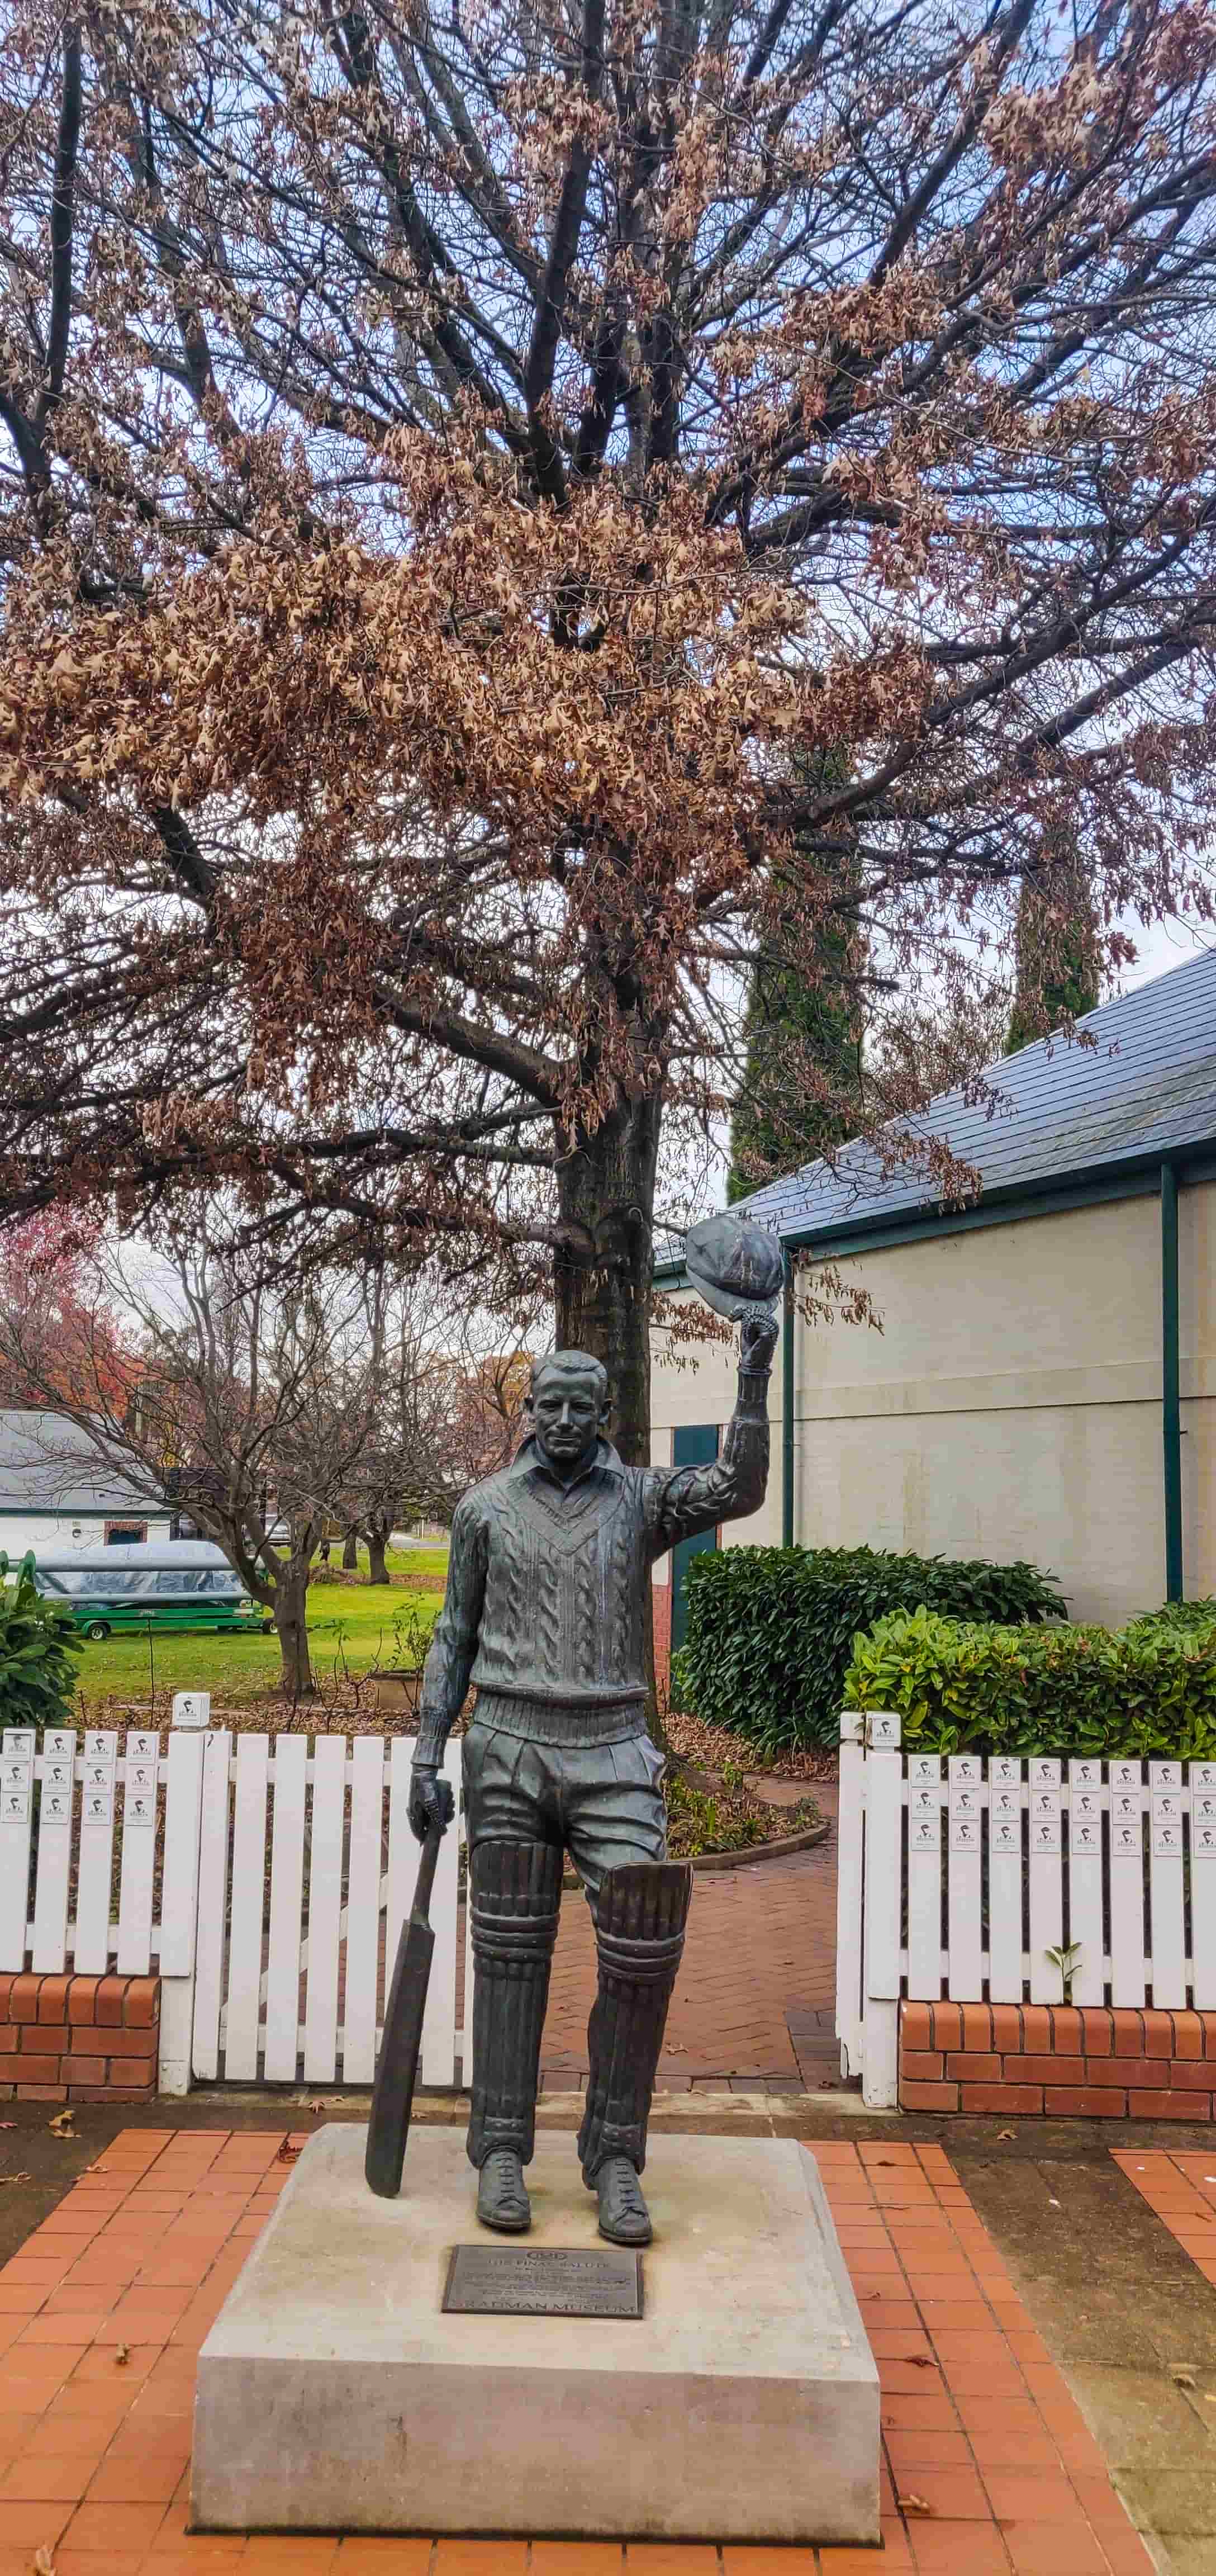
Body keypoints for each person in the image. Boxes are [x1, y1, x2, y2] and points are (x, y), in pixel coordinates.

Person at [408, 1305, 777, 2246]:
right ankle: (499, 2147)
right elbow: (454, 1634)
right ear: (526, 1410)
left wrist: (751, 1374)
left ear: (608, 1414)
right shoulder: (483, 1509)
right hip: (508, 1746)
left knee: (643, 1942)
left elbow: (737, 1488)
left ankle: (615, 2153)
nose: (566, 1421)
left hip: (615, 1748)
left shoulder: (644, 1501)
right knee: (509, 1951)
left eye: (584, 1406)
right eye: (550, 1405)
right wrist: (425, 1752)